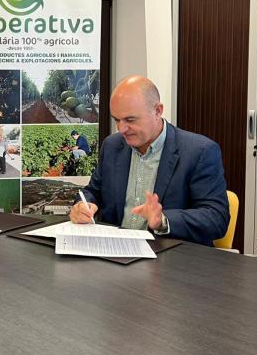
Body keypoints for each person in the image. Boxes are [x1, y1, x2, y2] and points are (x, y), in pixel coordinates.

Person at [69, 76, 229, 246]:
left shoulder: (199, 151)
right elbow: (93, 191)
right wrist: (84, 205)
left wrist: (163, 221)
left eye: (130, 120)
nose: (121, 129)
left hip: (169, 256)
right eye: (116, 119)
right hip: (114, 252)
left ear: (158, 111)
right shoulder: (112, 145)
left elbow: (216, 218)